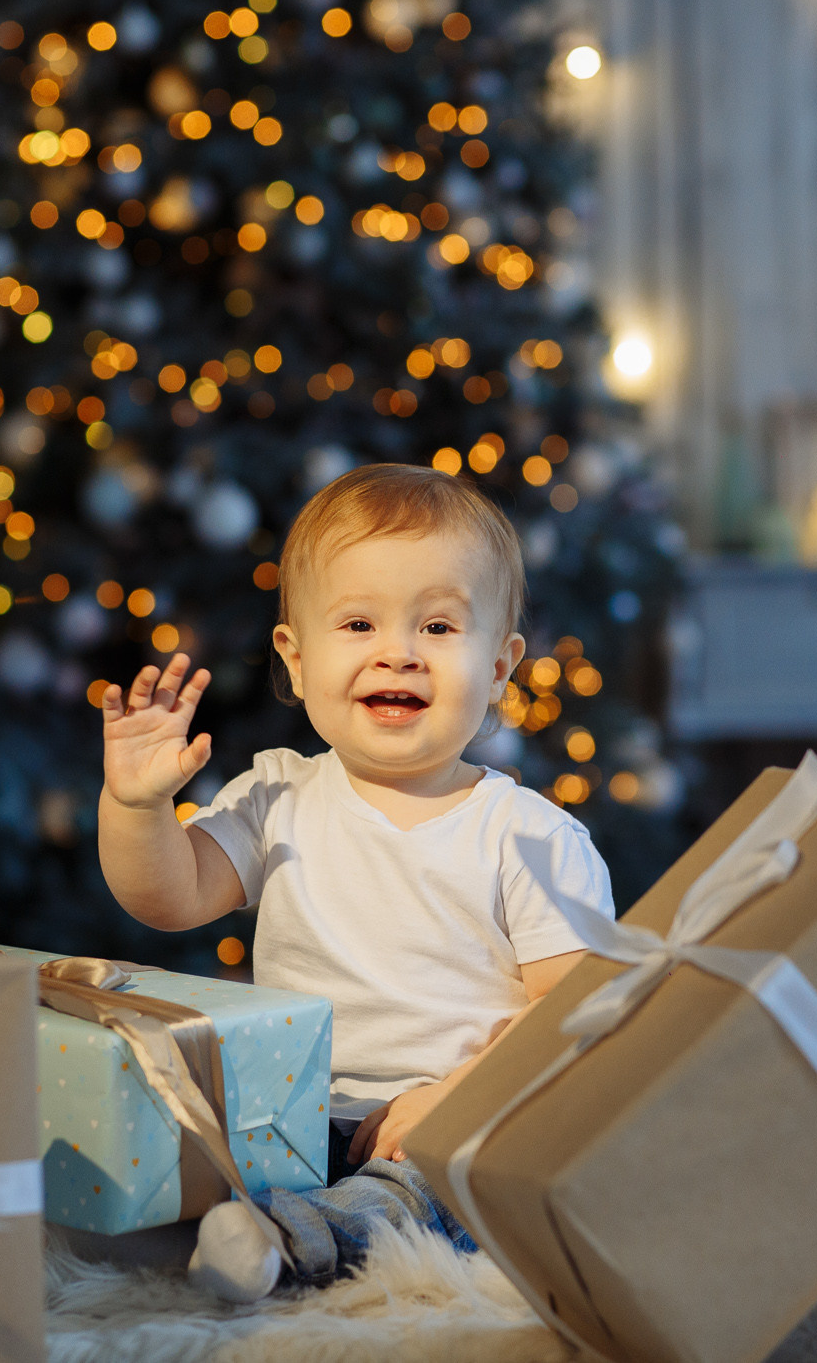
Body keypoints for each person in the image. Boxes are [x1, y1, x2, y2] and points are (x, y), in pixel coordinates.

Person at [96, 463, 616, 1301]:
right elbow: (169, 896)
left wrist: (458, 1095)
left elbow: (578, 1010)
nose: (398, 651)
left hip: (445, 1121)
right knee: (181, 1133)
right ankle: (262, 1221)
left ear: (499, 668)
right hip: (288, 1117)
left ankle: (308, 1238)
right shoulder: (275, 797)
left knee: (440, 1182)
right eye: (359, 622)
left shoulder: (529, 836)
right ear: (297, 660)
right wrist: (136, 805)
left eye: (440, 625)